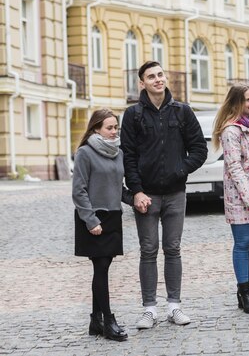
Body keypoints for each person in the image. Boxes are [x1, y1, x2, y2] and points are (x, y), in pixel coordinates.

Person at [121, 60, 207, 328]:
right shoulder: (133, 115)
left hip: (174, 194)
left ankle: (174, 306)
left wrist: (180, 169)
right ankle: (149, 309)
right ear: (142, 83)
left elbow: (199, 150)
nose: (158, 79)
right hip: (146, 196)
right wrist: (136, 191)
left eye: (160, 74)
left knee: (173, 248)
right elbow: (129, 158)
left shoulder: (182, 112)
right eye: (151, 76)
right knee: (148, 250)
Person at [73, 109, 138, 341]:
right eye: (109, 128)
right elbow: (79, 191)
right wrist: (91, 221)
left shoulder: (117, 153)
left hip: (113, 217)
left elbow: (117, 188)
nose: (114, 132)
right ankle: (108, 321)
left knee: (102, 269)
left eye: (115, 128)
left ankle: (95, 321)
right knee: (100, 269)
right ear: (96, 128)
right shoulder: (85, 153)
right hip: (93, 218)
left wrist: (136, 199)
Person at [213, 84, 249, 314]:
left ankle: (248, 289)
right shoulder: (231, 130)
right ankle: (244, 292)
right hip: (241, 197)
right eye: (247, 100)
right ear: (236, 102)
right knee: (242, 243)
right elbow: (235, 166)